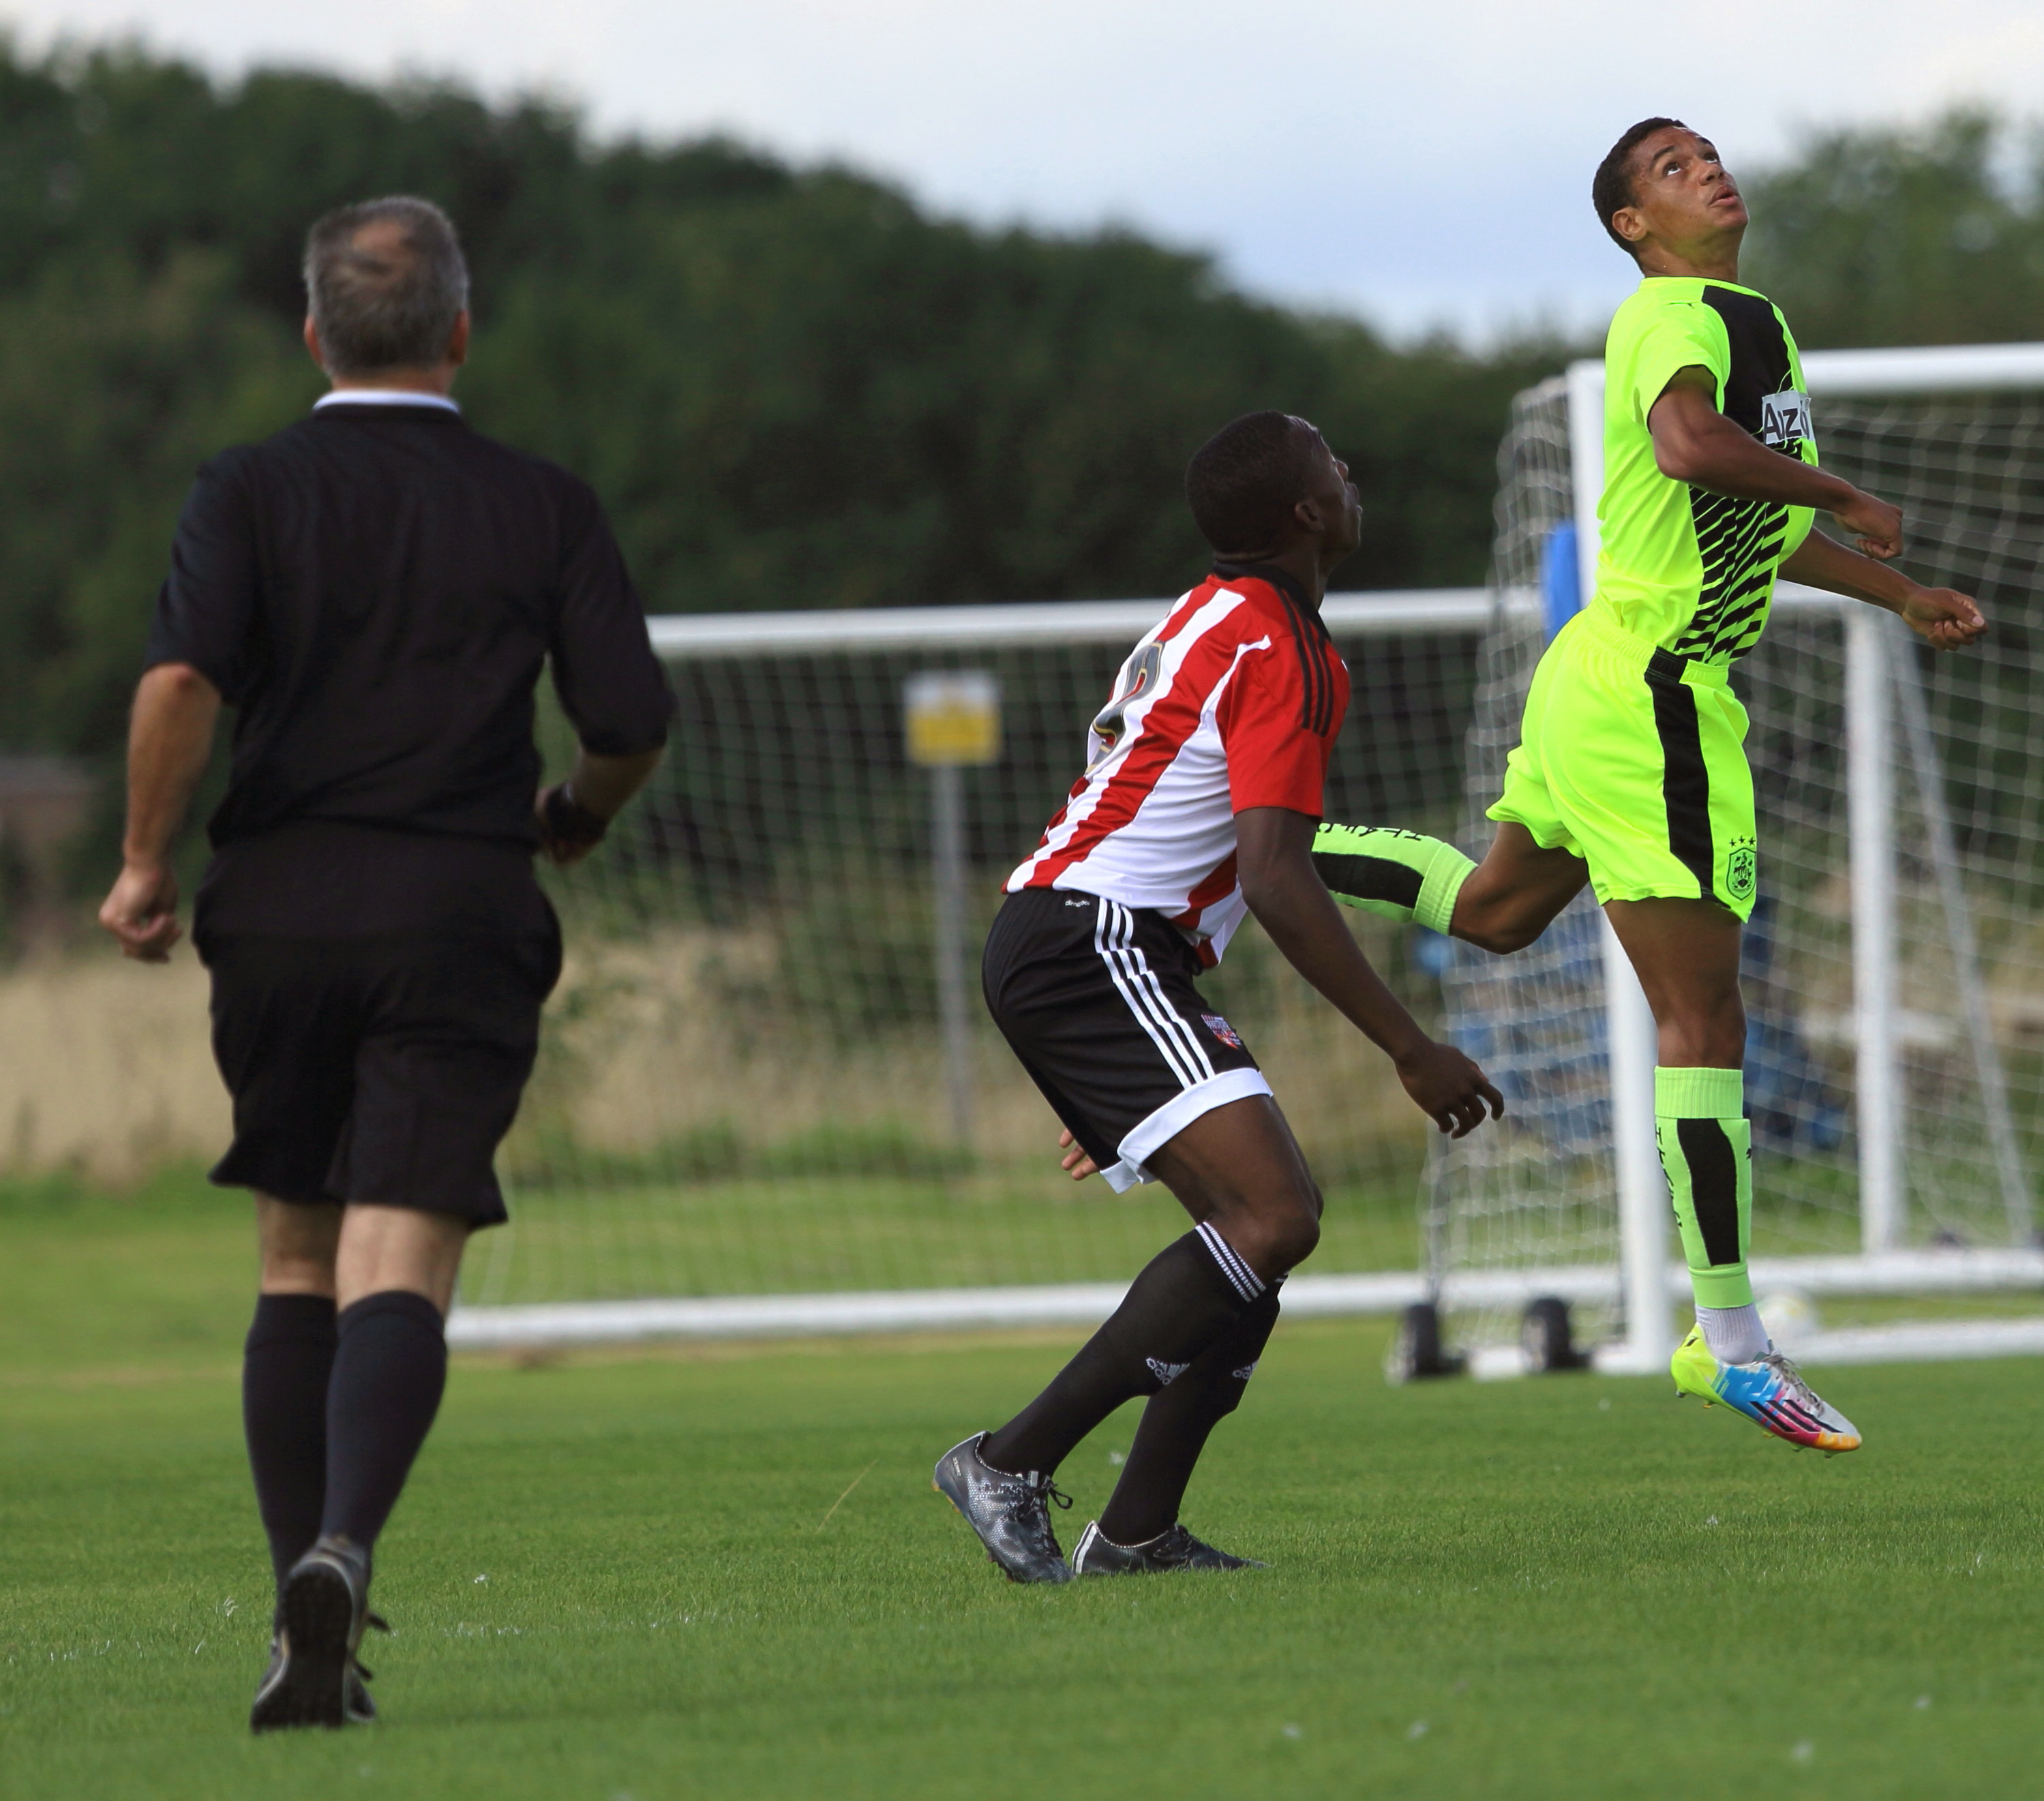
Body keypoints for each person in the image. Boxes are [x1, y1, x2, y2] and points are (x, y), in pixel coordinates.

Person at [1306, 120, 1987, 1453]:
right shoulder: (1674, 312)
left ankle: (1252, 840)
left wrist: (1895, 589)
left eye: (1708, 156)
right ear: (1630, 224)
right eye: (1672, 169)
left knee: (1498, 912)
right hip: (1656, 694)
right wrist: (1847, 488)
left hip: (1595, 680)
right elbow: (1684, 445)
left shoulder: (1750, 321)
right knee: (1703, 1013)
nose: (1708, 174)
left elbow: (1755, 517)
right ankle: (1726, 1340)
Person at [97, 196, 673, 1729]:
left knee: (295, 1253)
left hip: (277, 906)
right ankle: (344, 1553)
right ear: (460, 333)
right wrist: (572, 817)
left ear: (312, 337)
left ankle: (305, 1610)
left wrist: (148, 860)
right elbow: (627, 717)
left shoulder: (249, 486)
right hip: (457, 905)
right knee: (397, 1259)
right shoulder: (539, 501)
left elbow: (175, 682)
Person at [935, 411, 1503, 1583]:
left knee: (1257, 1231)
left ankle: (1136, 1533)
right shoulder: (1277, 646)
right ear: (1305, 513)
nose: (1352, 474)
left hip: (1087, 948)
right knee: (1271, 1217)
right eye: (1334, 465)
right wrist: (1408, 1048)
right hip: (1094, 943)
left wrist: (1112, 1070)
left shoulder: (1211, 619)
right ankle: (1008, 1461)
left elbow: (1149, 809)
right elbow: (1274, 876)